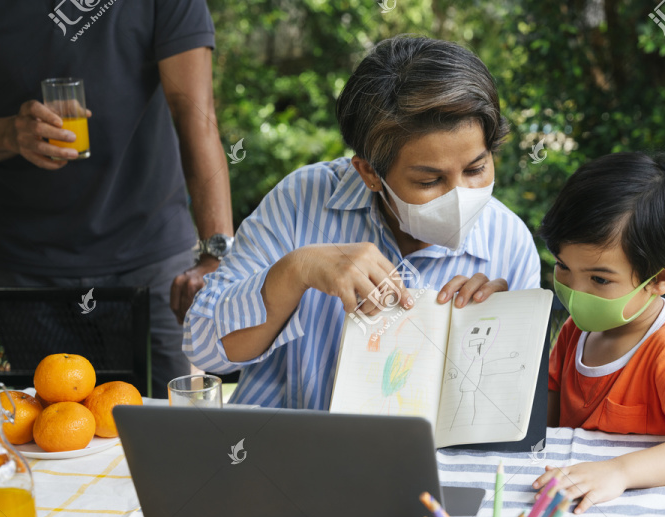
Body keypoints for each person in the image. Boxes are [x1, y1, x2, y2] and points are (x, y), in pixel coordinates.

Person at [184, 35, 543, 408]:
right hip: (287, 452)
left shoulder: (509, 242)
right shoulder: (302, 202)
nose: (459, 195)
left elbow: (512, 408)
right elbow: (206, 349)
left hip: (432, 463)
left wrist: (505, 338)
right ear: (370, 173)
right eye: (429, 181)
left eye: (476, 168)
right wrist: (296, 271)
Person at [0, 0, 233, 397]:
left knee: (172, 434)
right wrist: (10, 134)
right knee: (46, 437)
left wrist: (216, 252)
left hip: (152, 264)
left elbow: (195, 113)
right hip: (27, 272)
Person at [532, 152, 665, 514]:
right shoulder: (574, 332)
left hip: (646, 512)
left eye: (599, 279)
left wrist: (619, 471)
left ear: (660, 278)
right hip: (573, 504)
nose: (575, 291)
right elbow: (541, 431)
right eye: (563, 267)